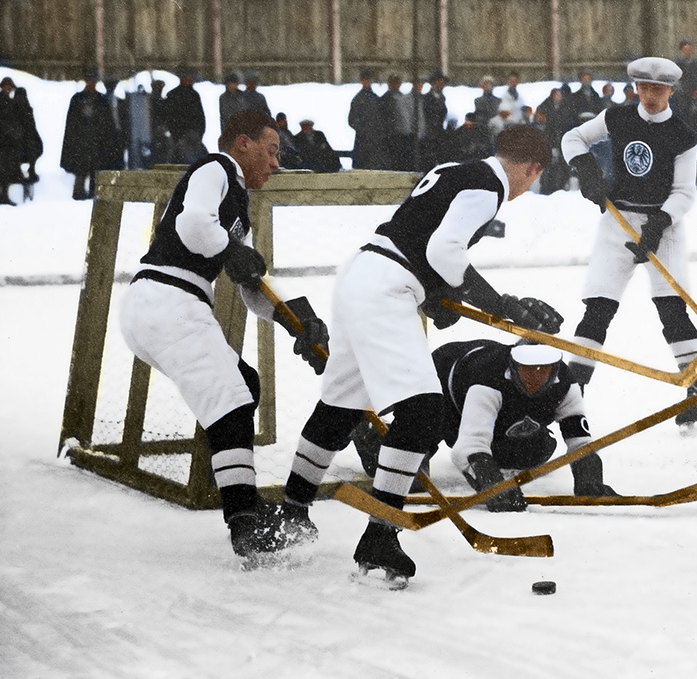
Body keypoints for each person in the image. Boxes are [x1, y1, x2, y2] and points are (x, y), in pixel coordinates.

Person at [279, 126, 562, 588]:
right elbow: (443, 248)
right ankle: (379, 536)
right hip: (387, 287)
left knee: (342, 402)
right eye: (532, 182)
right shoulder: (489, 186)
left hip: (361, 274)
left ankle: (290, 512)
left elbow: (419, 238)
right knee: (425, 411)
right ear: (532, 170)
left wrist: (436, 291)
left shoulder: (452, 170)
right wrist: (499, 302)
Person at [118, 110, 329, 565]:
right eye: (271, 151)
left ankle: (244, 507)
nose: (276, 164)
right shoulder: (215, 168)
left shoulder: (238, 205)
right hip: (166, 299)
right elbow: (191, 226)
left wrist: (300, 320)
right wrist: (233, 250)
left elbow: (252, 289)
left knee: (243, 384)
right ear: (242, 144)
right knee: (231, 397)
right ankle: (245, 520)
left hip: (172, 306)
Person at [562, 56, 697, 430]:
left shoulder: (683, 135)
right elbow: (572, 138)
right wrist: (585, 168)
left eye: (657, 89)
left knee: (672, 309)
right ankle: (568, 396)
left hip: (664, 224)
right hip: (618, 220)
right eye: (643, 88)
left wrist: (659, 223)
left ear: (671, 91)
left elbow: (683, 193)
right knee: (597, 308)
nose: (649, 95)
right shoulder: (618, 117)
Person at [425, 339, 617, 511]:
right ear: (513, 367)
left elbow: (580, 441)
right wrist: (490, 482)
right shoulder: (488, 380)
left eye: (543, 371)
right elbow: (468, 444)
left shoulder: (565, 383)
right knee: (427, 423)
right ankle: (420, 452)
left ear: (555, 370)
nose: (535, 378)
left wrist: (590, 479)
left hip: (505, 414)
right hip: (445, 375)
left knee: (538, 449)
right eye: (528, 370)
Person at [60, 66, 122, 200]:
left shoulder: (101, 100)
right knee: (80, 171)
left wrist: (106, 141)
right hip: (81, 142)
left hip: (97, 143)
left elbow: (107, 124)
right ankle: (78, 194)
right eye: (89, 81)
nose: (91, 84)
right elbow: (71, 124)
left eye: (93, 81)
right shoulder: (77, 99)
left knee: (97, 172)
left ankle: (95, 195)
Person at [0, 75, 41, 204]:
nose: (7, 88)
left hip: (15, 141)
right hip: (5, 141)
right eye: (5, 86)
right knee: (4, 169)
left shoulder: (17, 100)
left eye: (9, 86)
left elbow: (25, 119)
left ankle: (11, 194)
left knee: (12, 167)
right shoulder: (4, 100)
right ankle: (4, 195)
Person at [163, 68, 207, 164]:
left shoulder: (194, 95)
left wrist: (199, 131)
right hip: (180, 134)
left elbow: (200, 115)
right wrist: (176, 132)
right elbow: (170, 115)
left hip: (193, 133)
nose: (188, 80)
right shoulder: (173, 94)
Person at [349, 70, 387, 170]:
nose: (366, 82)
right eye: (364, 80)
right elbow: (352, 120)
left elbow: (382, 117)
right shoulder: (357, 99)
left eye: (367, 80)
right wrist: (364, 130)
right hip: (363, 140)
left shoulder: (375, 98)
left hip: (375, 138)